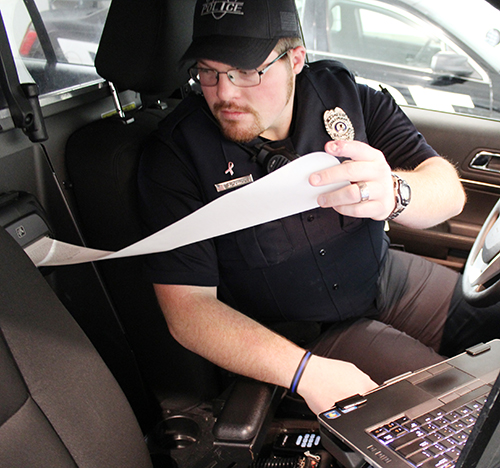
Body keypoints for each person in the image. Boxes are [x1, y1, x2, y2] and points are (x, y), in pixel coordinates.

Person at [137, 0, 497, 416]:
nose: (225, 92)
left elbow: (448, 191)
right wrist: (304, 371)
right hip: (304, 334)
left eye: (247, 71)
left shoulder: (346, 99)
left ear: (295, 59)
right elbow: (188, 310)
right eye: (208, 72)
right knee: (464, 411)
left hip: (383, 277)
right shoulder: (177, 156)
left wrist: (396, 193)